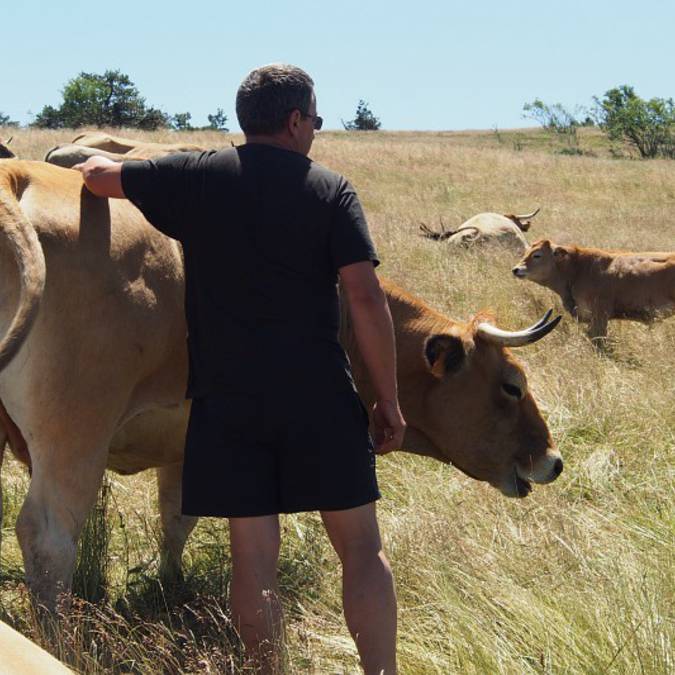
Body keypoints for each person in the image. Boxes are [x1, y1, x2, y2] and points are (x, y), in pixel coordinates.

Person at [75, 63, 405, 674]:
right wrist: (386, 400)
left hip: (227, 402)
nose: (315, 131)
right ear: (296, 119)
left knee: (253, 561)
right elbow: (365, 298)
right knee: (360, 548)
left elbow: (99, 179)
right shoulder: (331, 190)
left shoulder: (197, 175)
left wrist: (80, 163)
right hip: (319, 396)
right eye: (316, 119)